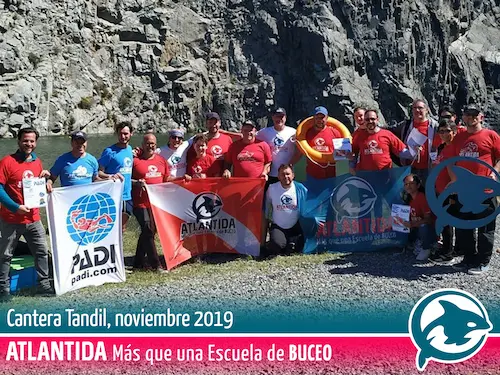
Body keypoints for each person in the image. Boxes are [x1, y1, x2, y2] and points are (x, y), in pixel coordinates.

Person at [0, 127, 53, 299]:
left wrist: (44, 178)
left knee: (41, 251)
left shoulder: (36, 162)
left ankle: (43, 285)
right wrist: (15, 207)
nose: (28, 144)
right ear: (18, 141)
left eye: (32, 141)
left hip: (33, 218)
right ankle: (3, 289)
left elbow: (34, 186)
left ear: (35, 142)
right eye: (25, 140)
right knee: (6, 254)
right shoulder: (7, 162)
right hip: (11, 218)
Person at [448, 104, 500, 275]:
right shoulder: (459, 138)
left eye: (474, 114)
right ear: (463, 117)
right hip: (464, 191)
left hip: (485, 190)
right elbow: (450, 161)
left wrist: (495, 173)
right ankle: (468, 259)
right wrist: (455, 181)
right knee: (464, 226)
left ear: (481, 117)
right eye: (467, 114)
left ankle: (483, 261)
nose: (470, 117)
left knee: (485, 227)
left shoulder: (491, 135)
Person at [131, 134, 170, 273]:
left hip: (156, 203)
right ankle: (156, 265)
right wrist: (136, 183)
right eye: (147, 143)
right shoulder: (135, 161)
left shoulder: (161, 161)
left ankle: (138, 263)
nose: (150, 146)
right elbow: (125, 179)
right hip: (140, 203)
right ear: (142, 144)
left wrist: (184, 179)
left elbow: (167, 179)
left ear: (156, 144)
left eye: (153, 143)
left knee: (150, 232)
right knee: (147, 228)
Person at [429, 119, 461, 265]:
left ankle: (449, 254)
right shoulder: (443, 147)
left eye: (447, 130)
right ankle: (449, 249)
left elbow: (454, 170)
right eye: (441, 131)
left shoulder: (455, 148)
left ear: (454, 132)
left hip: (449, 192)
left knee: (447, 221)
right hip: (439, 190)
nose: (443, 134)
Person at [392, 99, 439, 183]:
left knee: (427, 193)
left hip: (429, 169)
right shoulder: (405, 125)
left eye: (420, 108)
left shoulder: (435, 126)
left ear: (427, 110)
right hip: (410, 169)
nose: (417, 110)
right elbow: (390, 132)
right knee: (411, 195)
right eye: (414, 108)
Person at [98, 122, 134, 231]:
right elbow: (99, 172)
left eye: (126, 134)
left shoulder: (130, 150)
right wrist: (110, 176)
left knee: (122, 227)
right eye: (120, 134)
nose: (123, 136)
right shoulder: (109, 151)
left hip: (127, 195)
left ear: (131, 134)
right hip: (114, 194)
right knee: (112, 227)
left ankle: (120, 247)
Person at [265, 164, 307, 256]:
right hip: (278, 226)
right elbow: (266, 209)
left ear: (293, 175)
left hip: (295, 225)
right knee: (276, 246)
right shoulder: (272, 188)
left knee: (297, 248)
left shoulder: (300, 188)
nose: (285, 177)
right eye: (282, 174)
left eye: (288, 174)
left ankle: (291, 243)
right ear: (278, 176)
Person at [256, 108, 300, 187]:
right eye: (276, 116)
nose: (279, 119)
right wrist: (226, 133)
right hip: (270, 174)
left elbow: (300, 151)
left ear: (285, 118)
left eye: (281, 117)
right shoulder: (264, 132)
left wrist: (290, 164)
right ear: (272, 117)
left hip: (287, 175)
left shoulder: (293, 132)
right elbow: (247, 136)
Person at [399, 174, 436, 261]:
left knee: (423, 227)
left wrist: (412, 224)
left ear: (418, 185)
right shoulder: (408, 198)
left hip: (428, 230)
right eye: (406, 184)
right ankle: (415, 243)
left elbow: (428, 219)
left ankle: (427, 247)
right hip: (415, 229)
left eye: (411, 183)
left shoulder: (422, 197)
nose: (408, 186)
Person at [304, 106, 342, 179]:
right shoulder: (307, 133)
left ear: (327, 118)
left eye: (322, 117)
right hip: (312, 174)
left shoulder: (335, 132)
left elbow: (342, 154)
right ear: (313, 118)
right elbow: (301, 149)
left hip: (330, 174)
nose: (320, 120)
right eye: (317, 117)